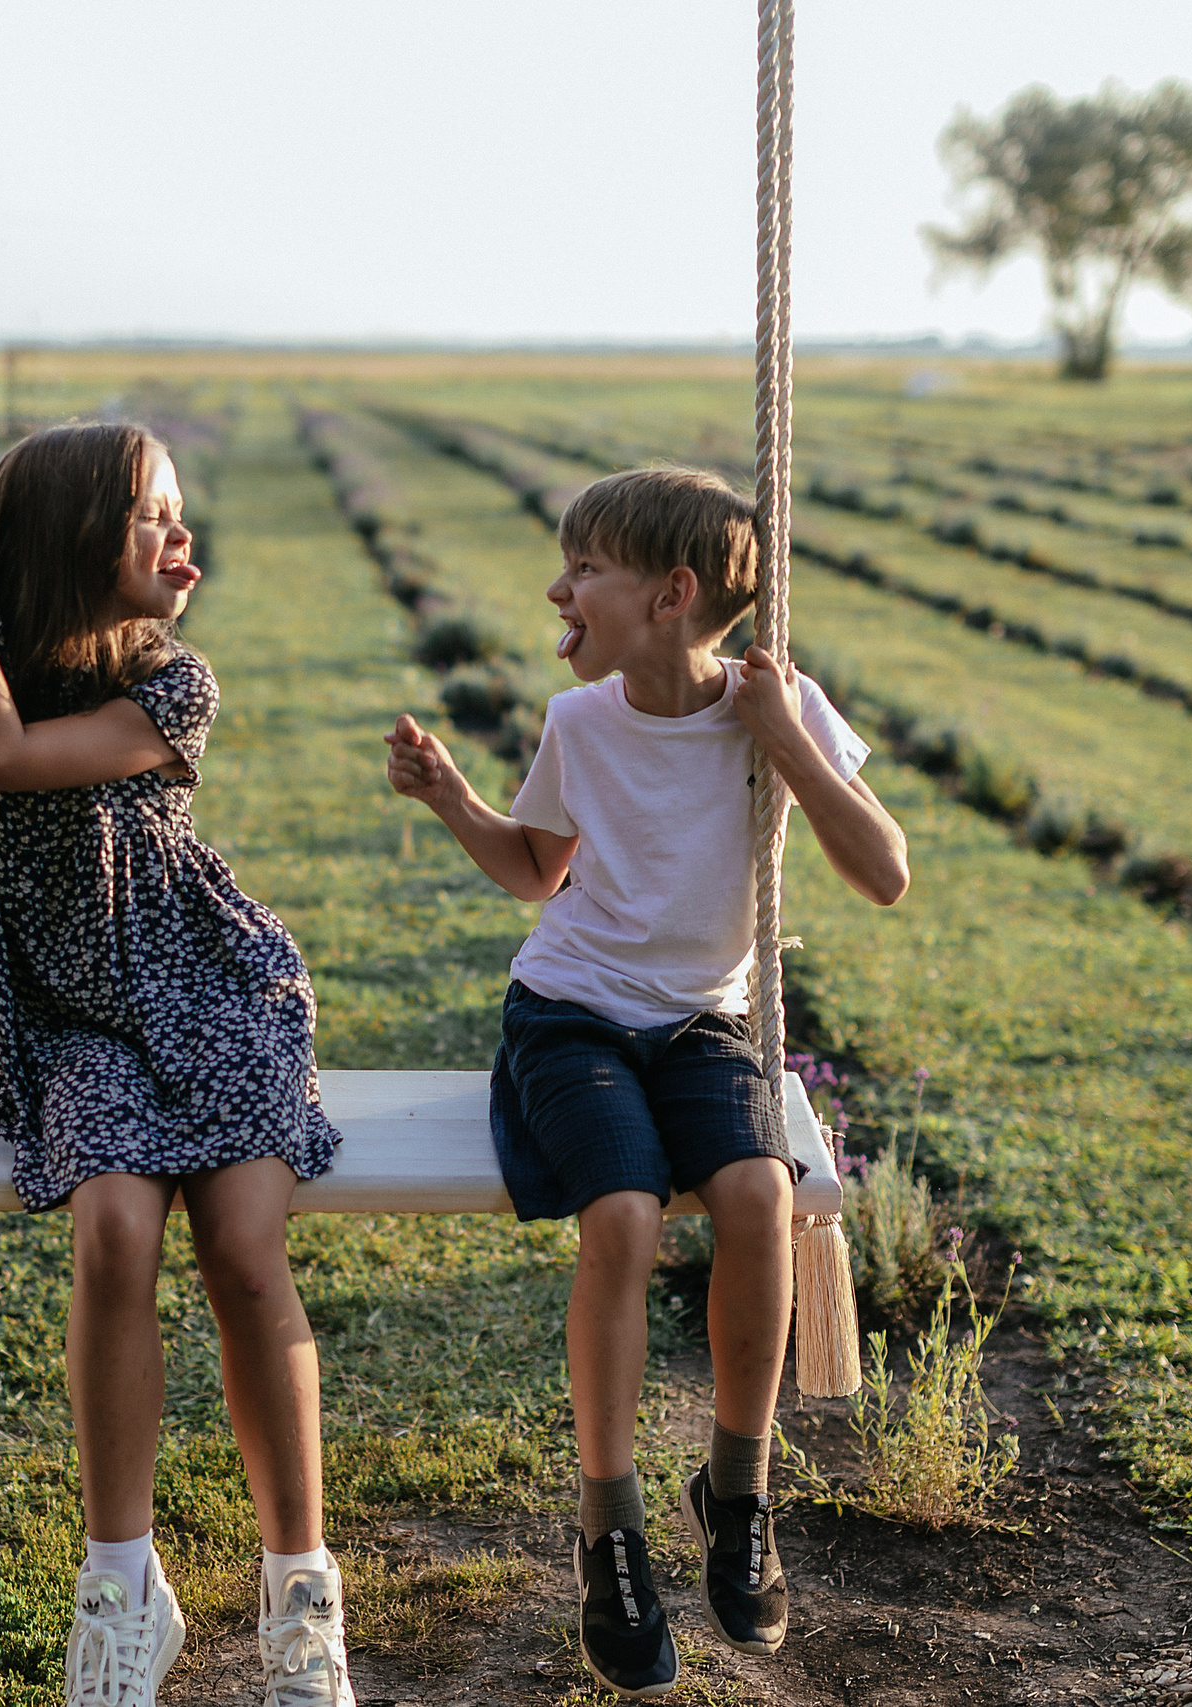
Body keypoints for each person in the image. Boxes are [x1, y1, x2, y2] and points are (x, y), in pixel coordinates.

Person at [0, 316, 355, 1707]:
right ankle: (120, 1584)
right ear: (75, 533)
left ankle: (299, 1590)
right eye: (150, 512)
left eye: (178, 509)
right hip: (76, 1024)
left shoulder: (174, 683)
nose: (180, 532)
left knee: (243, 1247)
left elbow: (0, 756)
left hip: (208, 993)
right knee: (111, 1230)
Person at [384, 465, 908, 1699]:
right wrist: (457, 798)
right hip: (567, 1018)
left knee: (754, 1198)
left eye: (586, 569)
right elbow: (535, 874)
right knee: (619, 1216)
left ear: (670, 597)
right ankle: (608, 1526)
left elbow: (883, 871)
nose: (557, 587)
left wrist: (787, 743)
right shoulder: (579, 724)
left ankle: (737, 1487)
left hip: (703, 1027)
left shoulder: (781, 707)